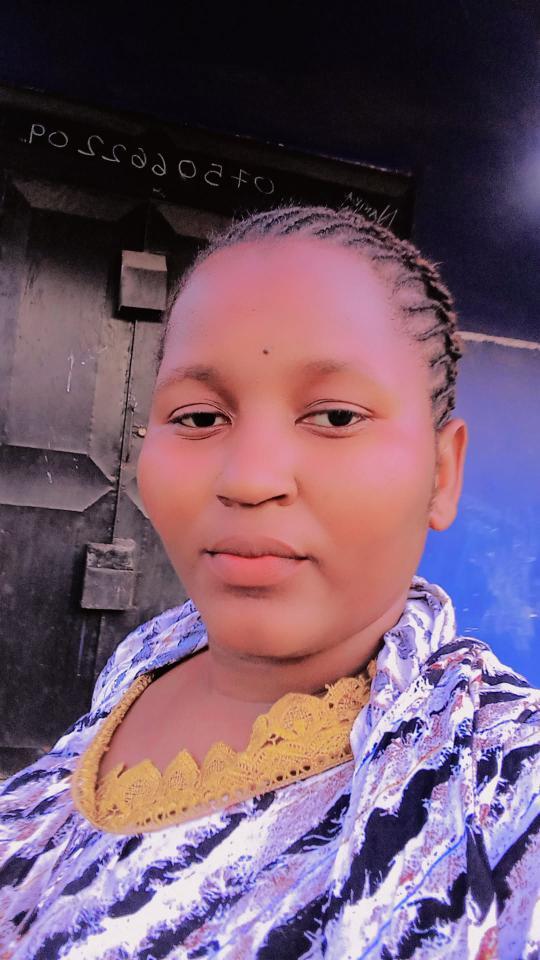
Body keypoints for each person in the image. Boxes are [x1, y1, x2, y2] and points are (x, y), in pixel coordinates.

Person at [1, 203, 538, 960]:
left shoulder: (499, 792)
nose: (249, 479)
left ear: (442, 473)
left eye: (337, 416)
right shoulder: (149, 656)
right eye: (197, 418)